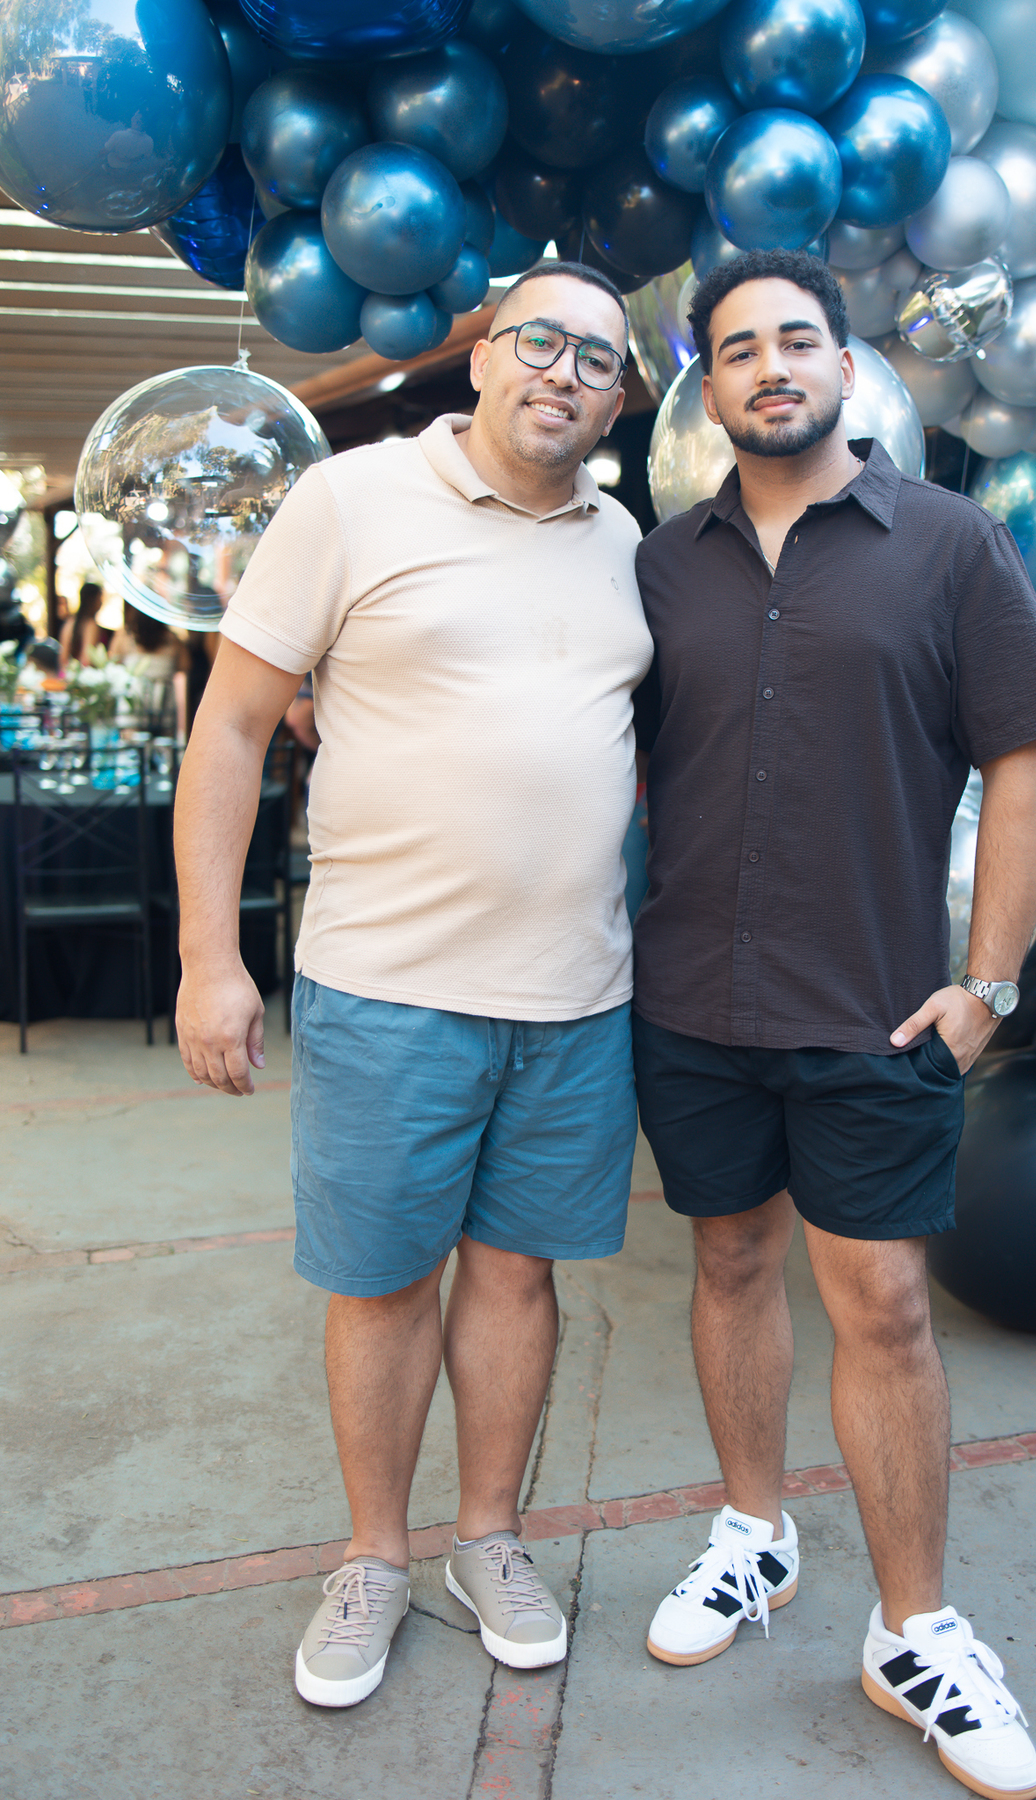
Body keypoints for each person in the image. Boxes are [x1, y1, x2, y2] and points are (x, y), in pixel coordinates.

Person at [631, 250, 1036, 1800]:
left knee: (884, 1307)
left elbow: (1022, 764)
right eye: (738, 347)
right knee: (729, 1262)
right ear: (708, 387)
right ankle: (753, 1536)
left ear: (846, 364)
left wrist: (991, 983)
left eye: (797, 339)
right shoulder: (661, 566)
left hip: (876, 1007)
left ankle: (915, 1632)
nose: (771, 365)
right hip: (692, 999)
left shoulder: (952, 544)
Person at [172, 262, 650, 1711]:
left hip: (577, 995)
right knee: (383, 1285)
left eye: (599, 359)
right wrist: (209, 958)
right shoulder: (351, 500)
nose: (564, 371)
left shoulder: (626, 538)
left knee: (517, 1275)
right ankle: (374, 1554)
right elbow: (232, 727)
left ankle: (486, 1538)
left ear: (619, 399)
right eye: (540, 340)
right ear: (485, 356)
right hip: (390, 987)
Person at [59, 580, 105, 667]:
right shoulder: (91, 625)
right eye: (100, 599)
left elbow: (63, 658)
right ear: (92, 599)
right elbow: (86, 660)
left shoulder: (70, 622)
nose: (101, 603)